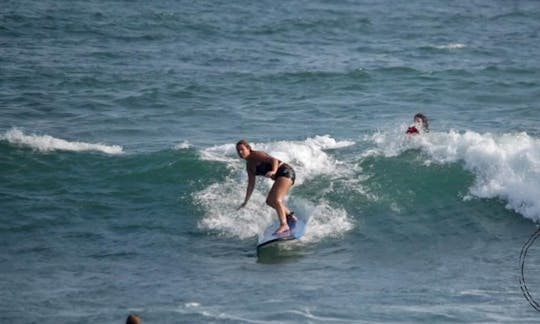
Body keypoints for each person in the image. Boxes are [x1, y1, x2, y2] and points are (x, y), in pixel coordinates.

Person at [236, 139, 297, 234]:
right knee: (269, 201)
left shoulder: (256, 155)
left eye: (242, 149)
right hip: (280, 176)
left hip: (286, 172)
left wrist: (273, 171)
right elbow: (251, 185)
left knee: (276, 200)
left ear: (248, 148)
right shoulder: (249, 166)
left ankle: (284, 225)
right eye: (238, 150)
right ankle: (290, 217)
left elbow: (274, 160)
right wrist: (245, 201)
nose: (240, 152)